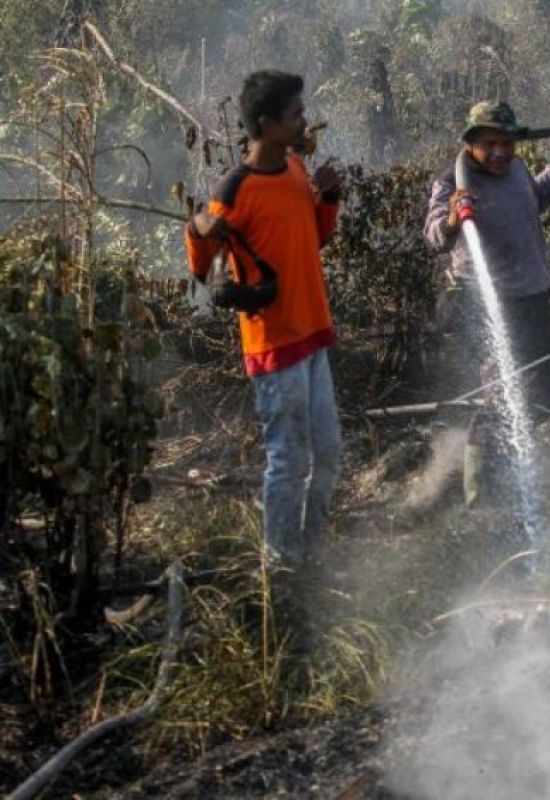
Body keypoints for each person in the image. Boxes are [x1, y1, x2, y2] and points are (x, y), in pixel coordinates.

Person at [185, 70, 343, 567]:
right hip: (273, 343)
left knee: (329, 455)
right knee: (288, 459)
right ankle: (281, 565)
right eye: (295, 114)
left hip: (312, 332)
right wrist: (198, 225)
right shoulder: (236, 187)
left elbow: (311, 240)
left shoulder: (296, 169)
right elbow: (201, 262)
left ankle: (310, 549)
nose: (304, 120)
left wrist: (330, 200)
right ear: (266, 123)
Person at [423, 100, 550, 505]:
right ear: (471, 143)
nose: (499, 152)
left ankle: (509, 469)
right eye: (490, 144)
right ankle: (481, 495)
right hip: (491, 305)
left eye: (507, 143)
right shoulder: (451, 182)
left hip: (533, 297)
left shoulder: (518, 171)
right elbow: (434, 235)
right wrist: (456, 217)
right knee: (502, 396)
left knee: (541, 396)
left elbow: (536, 200)